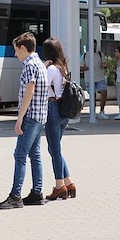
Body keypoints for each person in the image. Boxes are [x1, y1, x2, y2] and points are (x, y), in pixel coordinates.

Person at [0, 32, 49, 209]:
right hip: (41, 116)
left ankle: (15, 196)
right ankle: (37, 192)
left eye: (16, 50)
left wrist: (19, 118)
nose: (15, 54)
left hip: (30, 117)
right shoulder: (40, 63)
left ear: (23, 48)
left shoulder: (29, 66)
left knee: (20, 155)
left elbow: (29, 92)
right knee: (35, 155)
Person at [42, 37, 77, 201]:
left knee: (54, 151)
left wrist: (44, 67)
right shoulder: (63, 67)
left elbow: (42, 87)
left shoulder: (51, 69)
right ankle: (69, 183)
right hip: (64, 112)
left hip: (52, 109)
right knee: (55, 149)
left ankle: (59, 186)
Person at [81, 39, 108, 119]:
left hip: (100, 77)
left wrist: (105, 65)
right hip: (89, 78)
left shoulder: (100, 54)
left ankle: (102, 111)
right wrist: (88, 67)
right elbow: (80, 67)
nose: (94, 47)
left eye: (95, 45)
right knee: (92, 96)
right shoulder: (85, 55)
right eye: (93, 45)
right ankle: (93, 112)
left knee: (104, 92)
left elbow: (105, 64)